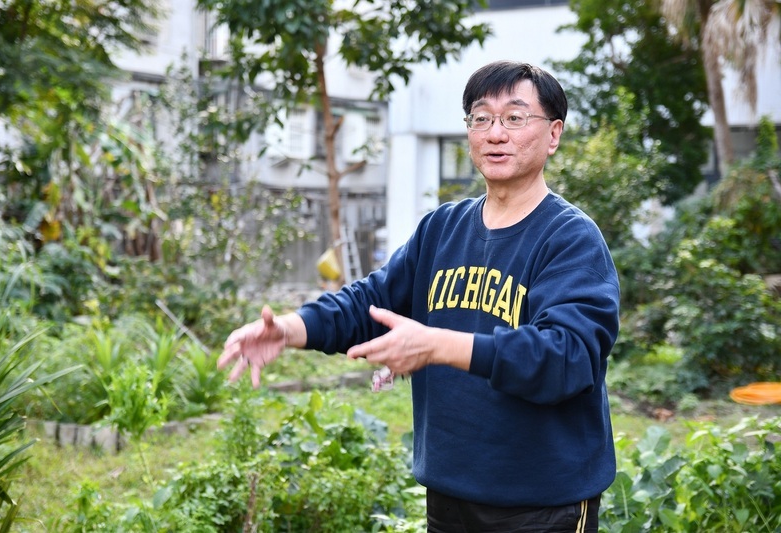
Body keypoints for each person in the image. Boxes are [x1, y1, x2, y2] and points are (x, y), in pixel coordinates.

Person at [218, 60, 620, 532]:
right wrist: (290, 328)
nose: (495, 133)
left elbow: (567, 358)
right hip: (449, 491)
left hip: (542, 502)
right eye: (480, 117)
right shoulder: (442, 229)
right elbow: (370, 303)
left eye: (514, 118)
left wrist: (435, 345)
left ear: (553, 134)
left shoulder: (570, 238)